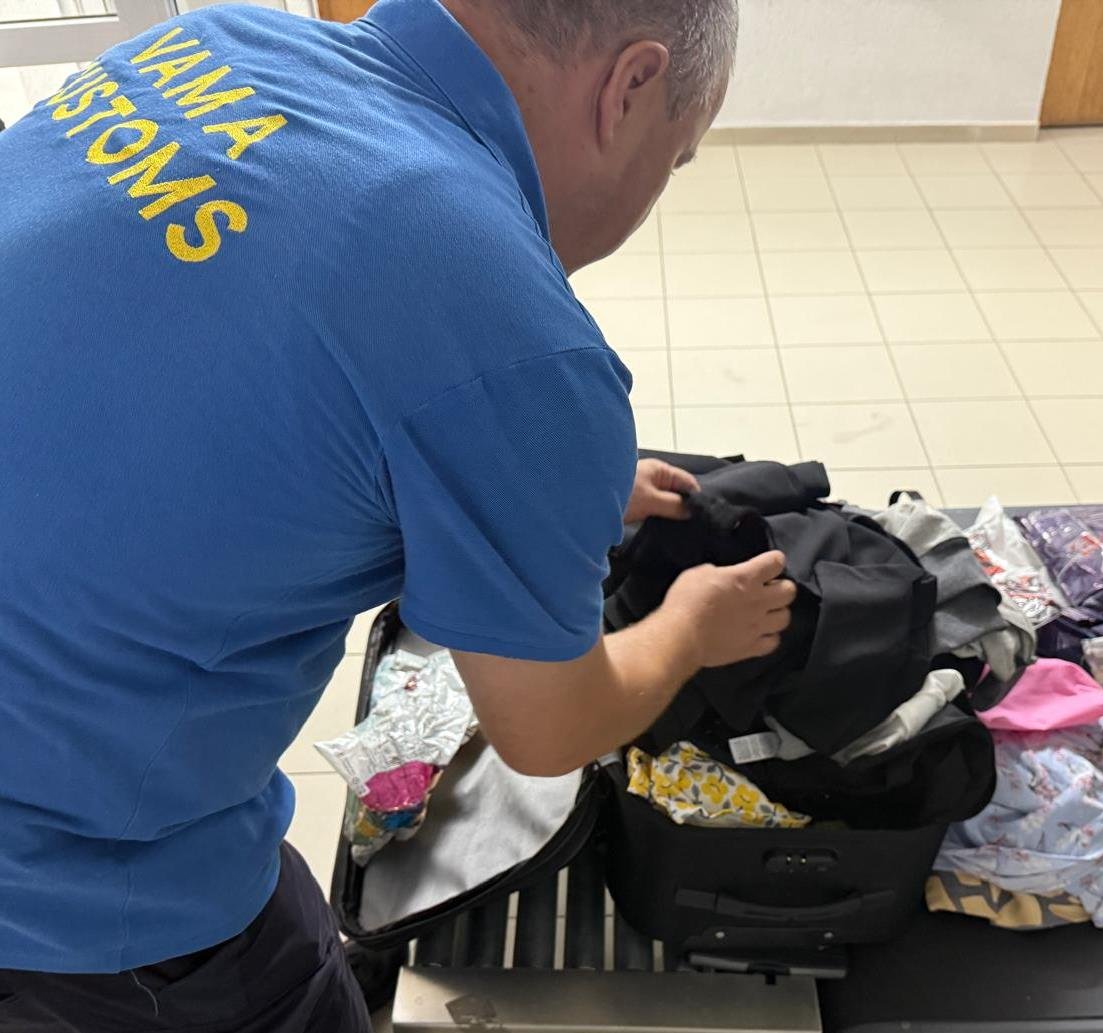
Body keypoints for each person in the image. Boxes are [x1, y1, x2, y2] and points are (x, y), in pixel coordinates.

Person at [0, 0, 787, 1028]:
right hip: (67, 900)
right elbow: (548, 728)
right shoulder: (508, 331)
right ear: (630, 86)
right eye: (674, 160)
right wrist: (690, 627)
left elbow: (201, 390)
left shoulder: (210, 44)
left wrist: (529, 484)